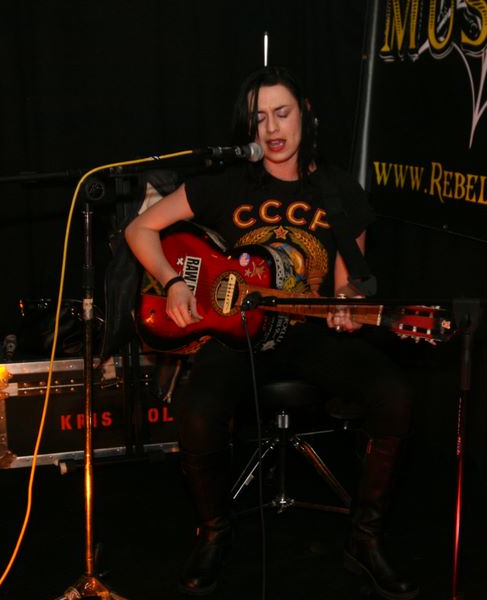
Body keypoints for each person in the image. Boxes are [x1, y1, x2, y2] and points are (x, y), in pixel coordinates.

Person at [124, 66, 418, 599]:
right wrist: (172, 281)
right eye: (259, 118)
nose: (272, 128)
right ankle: (214, 532)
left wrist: (348, 306)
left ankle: (365, 539)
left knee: (394, 395)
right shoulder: (227, 183)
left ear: (305, 113)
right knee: (195, 410)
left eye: (282, 113)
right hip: (236, 334)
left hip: (310, 335)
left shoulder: (338, 189)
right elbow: (139, 228)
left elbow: (350, 284)